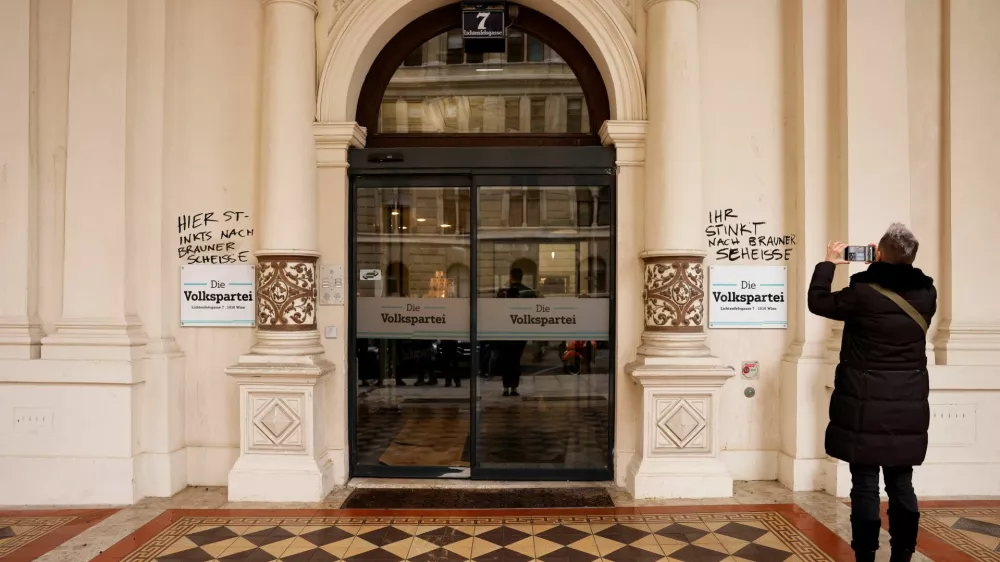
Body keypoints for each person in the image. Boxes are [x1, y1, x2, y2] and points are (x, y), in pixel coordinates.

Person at [808, 223, 936, 562]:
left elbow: (818, 301)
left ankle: (865, 556)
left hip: (864, 405)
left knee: (864, 484)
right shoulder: (927, 295)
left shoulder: (863, 294)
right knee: (902, 484)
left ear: (877, 254)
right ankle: (903, 554)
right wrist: (879, 269)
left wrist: (829, 263)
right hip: (907, 406)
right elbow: (893, 301)